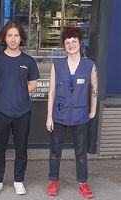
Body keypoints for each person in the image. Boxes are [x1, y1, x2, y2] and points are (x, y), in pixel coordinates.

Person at [0, 20, 40, 195]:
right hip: (1, 111)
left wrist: (18, 93)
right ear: (4, 38)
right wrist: (7, 93)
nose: (13, 39)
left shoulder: (28, 61)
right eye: (10, 35)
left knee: (21, 149)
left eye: (16, 35)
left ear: (21, 38)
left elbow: (33, 85)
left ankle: (18, 181)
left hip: (22, 112)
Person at [46, 26, 98, 199]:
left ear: (80, 42)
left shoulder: (89, 65)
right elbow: (51, 92)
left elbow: (94, 89)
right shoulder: (57, 66)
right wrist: (49, 116)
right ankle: (53, 181)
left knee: (81, 152)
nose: (71, 45)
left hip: (80, 116)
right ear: (64, 45)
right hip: (59, 115)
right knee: (55, 151)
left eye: (74, 42)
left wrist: (92, 110)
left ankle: (83, 183)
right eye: (67, 42)